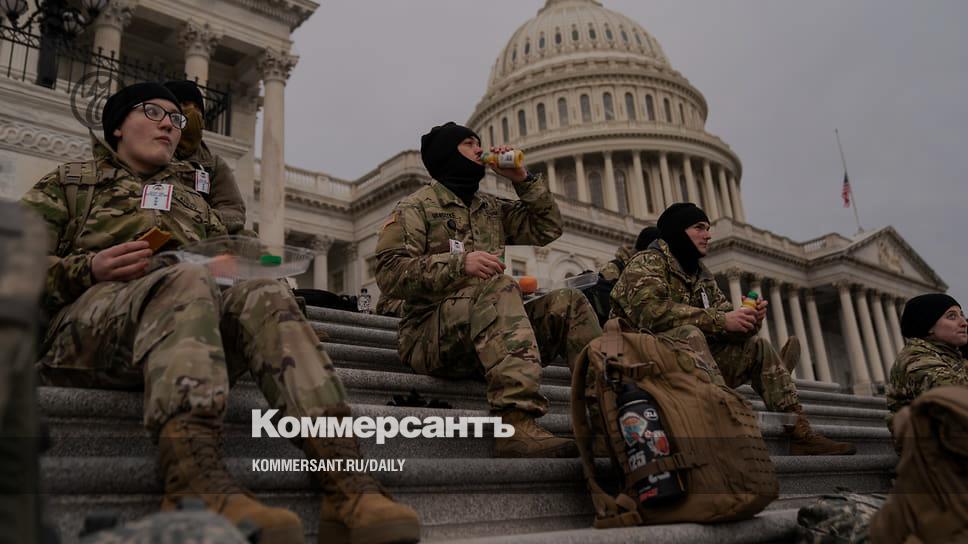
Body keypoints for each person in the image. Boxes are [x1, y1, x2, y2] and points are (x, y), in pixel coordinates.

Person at [21, 82, 420, 544]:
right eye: (153, 112)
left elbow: (250, 258)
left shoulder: (195, 201)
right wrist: (88, 267)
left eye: (176, 118)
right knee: (186, 278)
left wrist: (250, 268)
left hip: (187, 338)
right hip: (91, 335)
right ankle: (192, 483)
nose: (170, 125)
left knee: (264, 293)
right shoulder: (72, 183)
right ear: (116, 127)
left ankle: (346, 481)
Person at [375, 122, 602, 458]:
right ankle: (516, 423)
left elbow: (547, 228)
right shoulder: (415, 207)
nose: (479, 149)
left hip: (487, 330)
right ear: (448, 153)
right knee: (500, 287)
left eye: (479, 143)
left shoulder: (490, 209)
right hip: (429, 334)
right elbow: (388, 273)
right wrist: (459, 264)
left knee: (569, 303)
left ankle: (607, 417)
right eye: (469, 144)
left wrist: (522, 179)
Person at [609, 202, 856, 455]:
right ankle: (725, 418)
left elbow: (724, 316)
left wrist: (748, 321)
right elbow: (650, 313)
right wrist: (721, 320)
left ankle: (800, 433)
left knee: (757, 347)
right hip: (641, 362)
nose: (708, 235)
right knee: (690, 334)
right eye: (699, 228)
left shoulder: (701, 275)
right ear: (678, 231)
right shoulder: (647, 262)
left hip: (689, 363)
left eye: (708, 228)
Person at [163, 80, 247, 234]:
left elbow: (233, 212)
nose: (192, 112)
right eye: (184, 104)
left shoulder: (213, 165)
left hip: (201, 237)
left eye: (197, 108)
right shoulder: (155, 153)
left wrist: (198, 218)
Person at [885, 293, 968, 435]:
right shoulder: (916, 360)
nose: (964, 322)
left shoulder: (952, 357)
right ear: (929, 326)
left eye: (962, 315)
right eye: (952, 316)